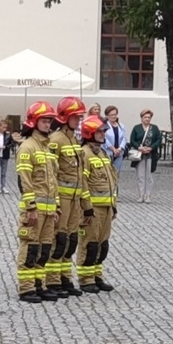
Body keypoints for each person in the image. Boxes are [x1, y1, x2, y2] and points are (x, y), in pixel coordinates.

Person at [15, 102, 59, 303]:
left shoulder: (48, 148)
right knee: (30, 249)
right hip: (34, 211)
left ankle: (39, 284)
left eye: (49, 120)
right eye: (44, 120)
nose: (47, 123)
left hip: (49, 211)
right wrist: (31, 207)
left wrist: (57, 206)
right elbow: (25, 181)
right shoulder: (28, 147)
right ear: (34, 122)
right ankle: (26, 288)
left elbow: (54, 181)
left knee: (45, 250)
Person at [45, 97, 87, 298]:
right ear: (65, 117)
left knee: (71, 240)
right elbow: (51, 173)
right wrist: (56, 202)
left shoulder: (75, 140)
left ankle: (64, 276)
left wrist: (85, 204)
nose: (79, 120)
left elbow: (80, 174)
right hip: (62, 199)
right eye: (75, 117)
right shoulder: (56, 140)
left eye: (80, 117)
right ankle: (52, 280)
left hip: (76, 200)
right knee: (58, 239)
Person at [76, 114, 118, 293]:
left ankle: (97, 275)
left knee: (102, 244)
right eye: (100, 131)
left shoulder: (102, 153)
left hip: (106, 207)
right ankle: (86, 279)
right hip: (92, 209)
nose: (104, 134)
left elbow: (112, 180)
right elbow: (82, 182)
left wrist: (113, 205)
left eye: (104, 131)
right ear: (90, 132)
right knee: (90, 243)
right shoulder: (84, 153)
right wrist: (86, 208)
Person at [129, 109, 163, 203]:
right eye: (145, 117)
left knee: (149, 176)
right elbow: (132, 140)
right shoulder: (137, 128)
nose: (147, 119)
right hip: (139, 155)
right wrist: (140, 148)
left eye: (149, 117)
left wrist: (151, 148)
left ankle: (148, 195)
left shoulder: (154, 128)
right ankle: (141, 195)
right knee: (140, 176)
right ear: (141, 118)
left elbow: (158, 140)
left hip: (151, 155)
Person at [0, 122, 15, 193]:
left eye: (5, 127)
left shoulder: (8, 136)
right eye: (3, 127)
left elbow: (12, 144)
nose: (4, 129)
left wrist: (6, 147)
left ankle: (3, 186)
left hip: (5, 155)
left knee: (4, 172)